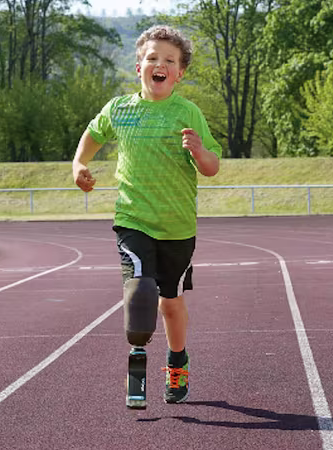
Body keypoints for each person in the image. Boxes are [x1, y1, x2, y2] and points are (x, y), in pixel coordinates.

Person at [72, 24, 221, 408]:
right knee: (140, 289)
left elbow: (211, 168)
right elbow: (93, 134)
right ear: (139, 65)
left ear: (180, 72)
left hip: (177, 226)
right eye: (152, 58)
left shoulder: (187, 112)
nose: (160, 64)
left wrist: (199, 149)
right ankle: (137, 362)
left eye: (169, 60)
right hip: (133, 219)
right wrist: (78, 164)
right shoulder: (119, 109)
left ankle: (177, 361)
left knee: (170, 301)